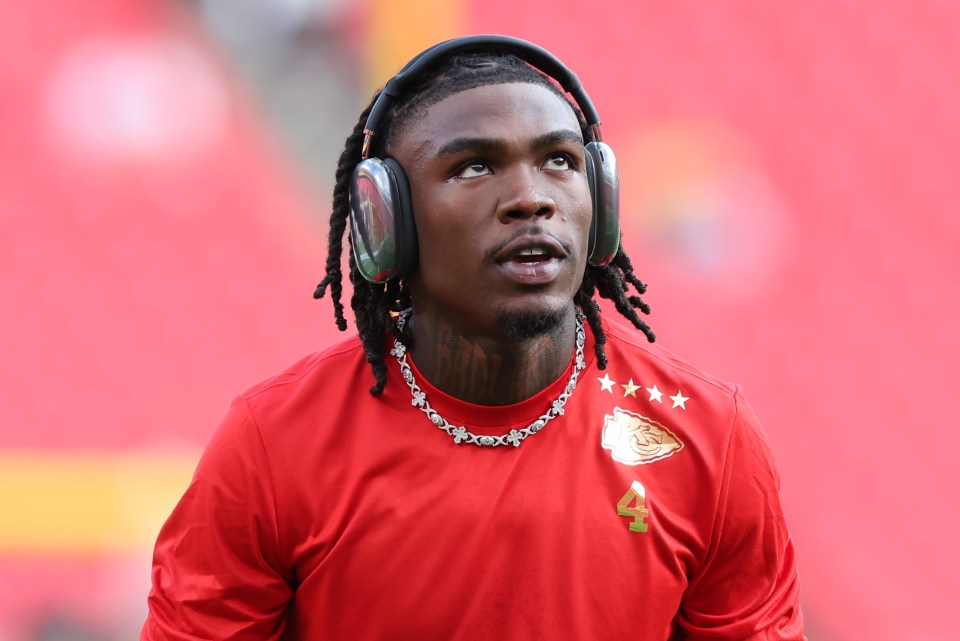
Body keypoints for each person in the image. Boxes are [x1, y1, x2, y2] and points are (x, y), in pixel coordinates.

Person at [142, 35, 806, 640]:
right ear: (387, 222)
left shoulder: (708, 437)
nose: (531, 199)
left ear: (601, 202)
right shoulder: (276, 444)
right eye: (474, 167)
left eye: (559, 161)